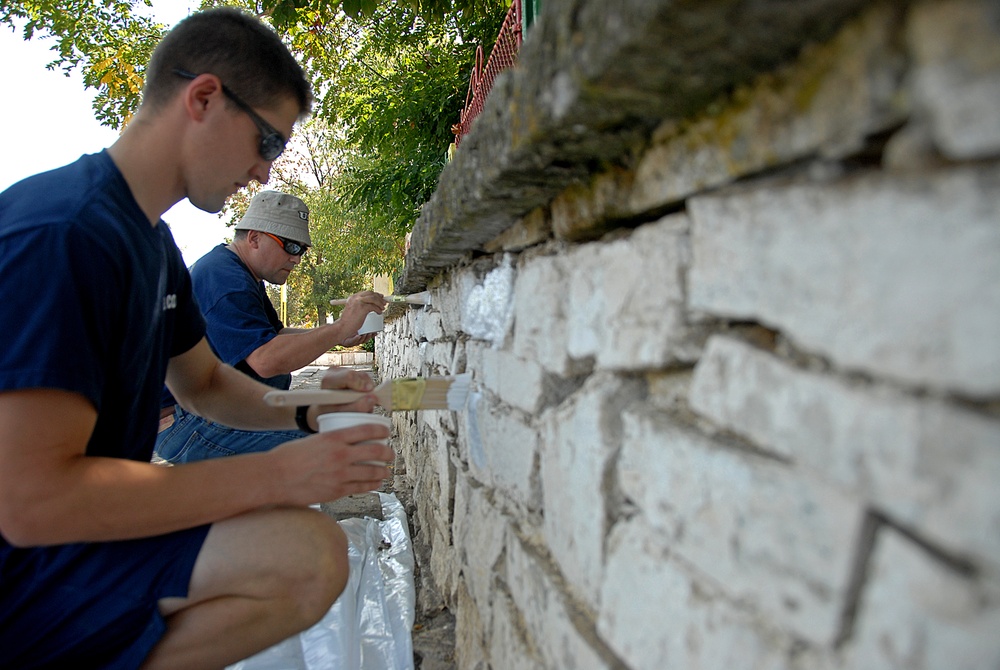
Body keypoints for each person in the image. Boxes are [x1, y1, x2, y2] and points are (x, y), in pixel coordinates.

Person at [0, 8, 394, 669]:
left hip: (79, 545)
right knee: (301, 552)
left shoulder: (151, 244)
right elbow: (31, 503)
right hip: (29, 573)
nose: (265, 173)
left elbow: (207, 384)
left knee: (309, 555)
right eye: (268, 142)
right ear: (204, 99)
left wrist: (308, 408)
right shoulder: (62, 233)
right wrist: (276, 472)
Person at [155, 189, 386, 463]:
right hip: (185, 422)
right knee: (332, 448)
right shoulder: (226, 280)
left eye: (302, 249)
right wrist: (340, 327)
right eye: (290, 246)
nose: (296, 258)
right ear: (254, 238)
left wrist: (338, 334)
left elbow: (274, 336)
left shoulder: (238, 270)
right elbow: (265, 359)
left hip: (205, 409)